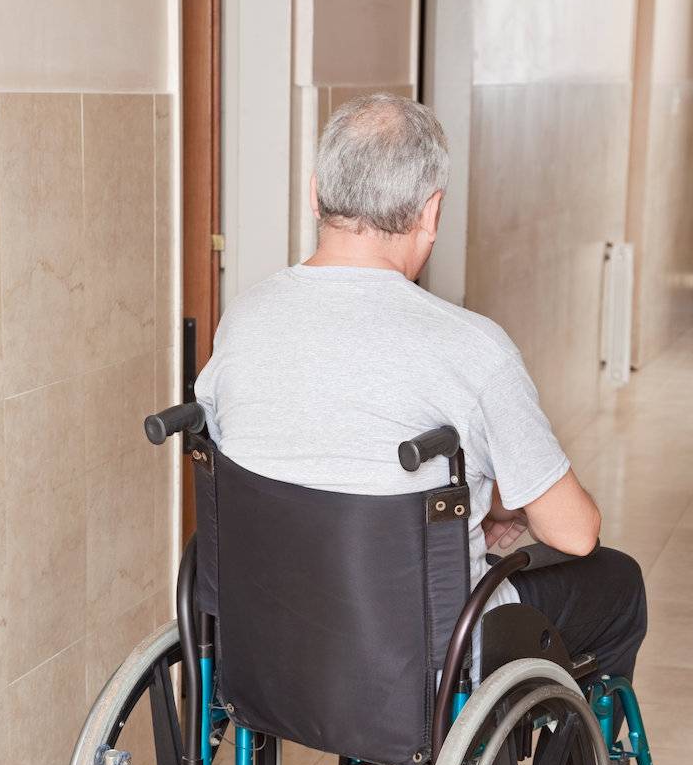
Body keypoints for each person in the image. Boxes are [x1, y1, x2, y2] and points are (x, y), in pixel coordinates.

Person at [195, 92, 646, 701]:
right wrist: (502, 509)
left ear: (315, 193)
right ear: (431, 212)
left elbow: (273, 463)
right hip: (421, 650)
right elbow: (574, 534)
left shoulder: (245, 318)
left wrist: (473, 512)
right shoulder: (470, 346)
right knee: (617, 583)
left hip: (272, 633)